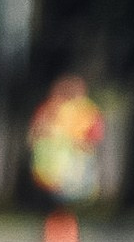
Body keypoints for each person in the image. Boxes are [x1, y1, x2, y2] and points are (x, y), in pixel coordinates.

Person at [28, 75, 104, 206]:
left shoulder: (86, 111)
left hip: (70, 168)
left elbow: (92, 139)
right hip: (51, 168)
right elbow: (35, 133)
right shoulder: (50, 108)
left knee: (64, 202)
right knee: (57, 203)